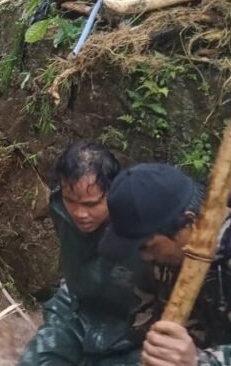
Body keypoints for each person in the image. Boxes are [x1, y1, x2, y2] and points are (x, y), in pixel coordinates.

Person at [19, 141, 147, 365]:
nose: (80, 213)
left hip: (128, 335)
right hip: (74, 308)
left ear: (112, 192)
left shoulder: (142, 230)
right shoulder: (59, 205)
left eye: (91, 204)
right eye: (72, 201)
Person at [99, 163, 231, 365]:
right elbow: (144, 308)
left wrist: (201, 361)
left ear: (189, 224)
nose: (145, 257)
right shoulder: (165, 257)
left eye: (148, 247)